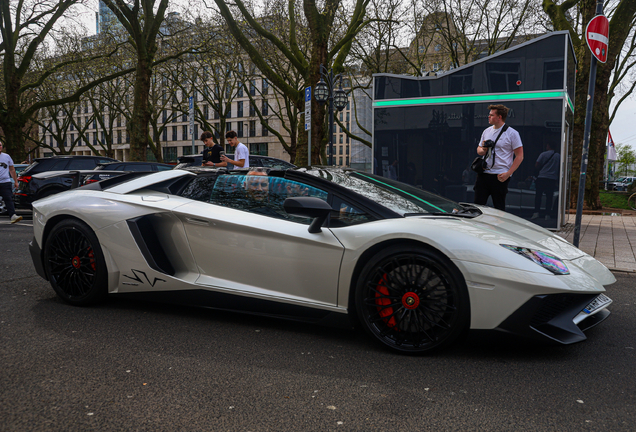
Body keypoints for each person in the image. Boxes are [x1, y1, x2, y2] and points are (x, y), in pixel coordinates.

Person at [474, 104, 524, 212]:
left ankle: (499, 227)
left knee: (499, 208)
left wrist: (508, 173)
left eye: (491, 115)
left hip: (500, 176)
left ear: (499, 117)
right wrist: (483, 150)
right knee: (477, 206)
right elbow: (479, 150)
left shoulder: (512, 133)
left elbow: (520, 156)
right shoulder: (486, 131)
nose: (488, 117)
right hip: (484, 173)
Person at [531, 142, 560, 220]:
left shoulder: (543, 154)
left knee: (538, 196)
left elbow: (537, 165)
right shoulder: (558, 156)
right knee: (549, 197)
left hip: (542, 177)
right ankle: (547, 214)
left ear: (548, 146)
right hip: (552, 178)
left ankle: (536, 212)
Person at [0, 141, 23, 224]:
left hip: (5, 182)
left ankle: (13, 216)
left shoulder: (6, 156)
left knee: (8, 199)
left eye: (0, 145)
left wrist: (16, 182)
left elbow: (12, 169)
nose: (0, 147)